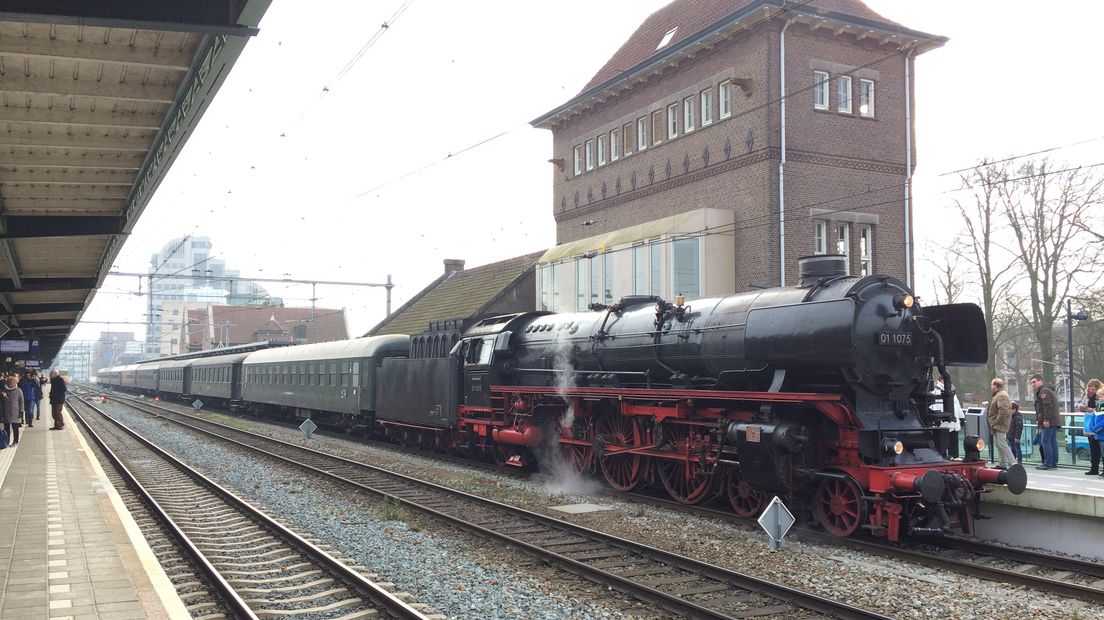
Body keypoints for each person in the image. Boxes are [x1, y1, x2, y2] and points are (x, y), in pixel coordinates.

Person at [1030, 373, 1061, 470]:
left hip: (1049, 421)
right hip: (1054, 420)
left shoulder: (1043, 391)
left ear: (1040, 381)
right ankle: (1053, 463)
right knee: (1052, 441)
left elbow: (1047, 406)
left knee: (1046, 441)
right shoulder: (1048, 390)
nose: (1033, 384)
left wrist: (1046, 419)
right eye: (1031, 383)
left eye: (1034, 382)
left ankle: (1048, 463)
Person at [987, 378, 1016, 468]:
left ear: (995, 385)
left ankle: (1013, 463)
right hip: (998, 424)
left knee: (1002, 444)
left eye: (992, 384)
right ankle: (1002, 463)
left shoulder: (1001, 395)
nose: (991, 386)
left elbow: (1003, 410)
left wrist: (995, 422)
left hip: (1000, 424)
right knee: (999, 444)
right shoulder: (999, 395)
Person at [1076, 378, 1101, 475]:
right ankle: (1094, 468)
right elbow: (1081, 405)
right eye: (1089, 388)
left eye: (1093, 389)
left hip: (1098, 425)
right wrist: (1083, 408)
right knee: (1093, 448)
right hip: (1089, 424)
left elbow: (1098, 409)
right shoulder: (1086, 397)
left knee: (1100, 448)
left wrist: (1091, 409)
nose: (1090, 391)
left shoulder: (1099, 397)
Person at [2, 374, 24, 447]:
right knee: (6, 428)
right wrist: (3, 396)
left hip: (15, 412)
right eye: (12, 382)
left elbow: (21, 401)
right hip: (6, 412)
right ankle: (6, 441)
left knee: (15, 427)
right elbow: (2, 401)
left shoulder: (18, 390)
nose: (13, 384)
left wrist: (21, 411)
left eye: (14, 382)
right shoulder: (4, 390)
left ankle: (15, 441)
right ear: (8, 383)